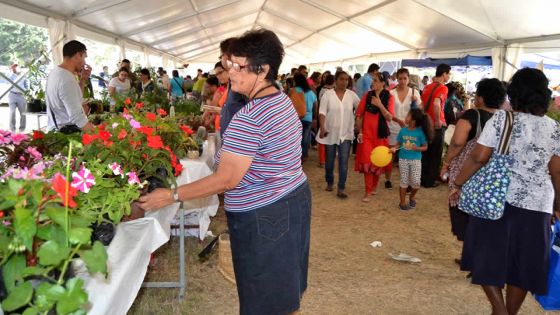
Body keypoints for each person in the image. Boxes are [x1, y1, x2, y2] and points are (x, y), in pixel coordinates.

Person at [139, 29, 310, 315]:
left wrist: (170, 196)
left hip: (264, 216)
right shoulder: (279, 99)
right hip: (291, 201)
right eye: (229, 65)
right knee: (282, 292)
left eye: (238, 66)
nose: (230, 72)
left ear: (263, 69)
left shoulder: (251, 116)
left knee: (264, 300)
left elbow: (227, 179)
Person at [451, 68, 560, 315]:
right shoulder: (555, 129)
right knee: (524, 264)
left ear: (515, 93)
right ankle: (508, 313)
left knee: (484, 254)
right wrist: (557, 207)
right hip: (538, 205)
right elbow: (557, 172)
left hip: (498, 199)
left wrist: (457, 184)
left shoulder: (503, 119)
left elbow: (479, 157)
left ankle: (499, 311)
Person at [440, 78, 506, 245]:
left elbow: (457, 142)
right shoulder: (504, 118)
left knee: (462, 211)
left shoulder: (472, 115)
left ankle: (470, 252)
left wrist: (446, 163)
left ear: (481, 97)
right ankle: (476, 251)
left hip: (466, 170)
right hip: (491, 174)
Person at [317, 71, 360, 198]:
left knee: (343, 162)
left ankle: (341, 187)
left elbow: (360, 109)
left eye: (347, 80)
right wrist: (323, 127)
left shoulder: (352, 95)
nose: (344, 82)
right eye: (341, 79)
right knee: (329, 161)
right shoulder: (327, 95)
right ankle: (330, 182)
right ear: (336, 80)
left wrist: (358, 123)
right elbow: (322, 112)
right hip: (330, 133)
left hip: (346, 134)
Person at [355, 72, 394, 202]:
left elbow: (389, 117)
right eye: (373, 80)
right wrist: (359, 131)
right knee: (367, 161)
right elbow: (359, 114)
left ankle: (374, 187)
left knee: (378, 161)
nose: (373, 83)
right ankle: (368, 191)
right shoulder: (367, 96)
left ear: (383, 83)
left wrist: (379, 105)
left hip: (380, 135)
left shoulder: (389, 97)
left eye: (376, 81)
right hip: (366, 135)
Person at [45, 40, 94, 132]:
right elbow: (77, 117)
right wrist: (96, 135)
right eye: (84, 57)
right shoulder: (66, 79)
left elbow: (73, 97)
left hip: (56, 128)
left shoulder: (56, 72)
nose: (84, 62)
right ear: (78, 55)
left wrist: (83, 79)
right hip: (67, 132)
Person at [391, 108, 431, 210]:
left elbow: (425, 147)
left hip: (416, 160)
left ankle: (412, 196)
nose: (406, 117)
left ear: (414, 120)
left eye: (408, 115)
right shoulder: (403, 130)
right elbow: (398, 143)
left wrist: (416, 148)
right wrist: (394, 148)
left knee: (416, 182)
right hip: (403, 159)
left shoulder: (420, 132)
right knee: (404, 180)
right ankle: (402, 203)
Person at [420, 63, 450, 188]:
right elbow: (437, 104)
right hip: (437, 125)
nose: (449, 76)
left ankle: (422, 178)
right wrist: (437, 120)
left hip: (425, 124)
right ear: (444, 74)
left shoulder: (427, 87)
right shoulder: (443, 88)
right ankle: (430, 181)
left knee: (425, 152)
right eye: (448, 74)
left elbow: (421, 106)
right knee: (435, 154)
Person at [218, 37, 249, 137]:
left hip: (239, 141)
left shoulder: (242, 80)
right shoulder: (233, 79)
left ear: (229, 56)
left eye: (222, 55)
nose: (221, 58)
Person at [294, 73, 317, 161]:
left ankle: (297, 155)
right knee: (305, 137)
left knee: (296, 137)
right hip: (308, 118)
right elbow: (315, 106)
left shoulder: (294, 90)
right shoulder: (311, 92)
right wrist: (315, 118)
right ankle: (304, 154)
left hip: (297, 117)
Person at [7, 63, 28, 132]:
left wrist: (25, 91)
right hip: (12, 95)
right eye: (13, 67)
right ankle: (12, 130)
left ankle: (22, 130)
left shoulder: (23, 75)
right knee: (12, 112)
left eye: (16, 67)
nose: (15, 68)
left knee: (23, 113)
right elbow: (8, 81)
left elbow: (27, 85)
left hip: (21, 96)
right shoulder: (11, 75)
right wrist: (11, 71)